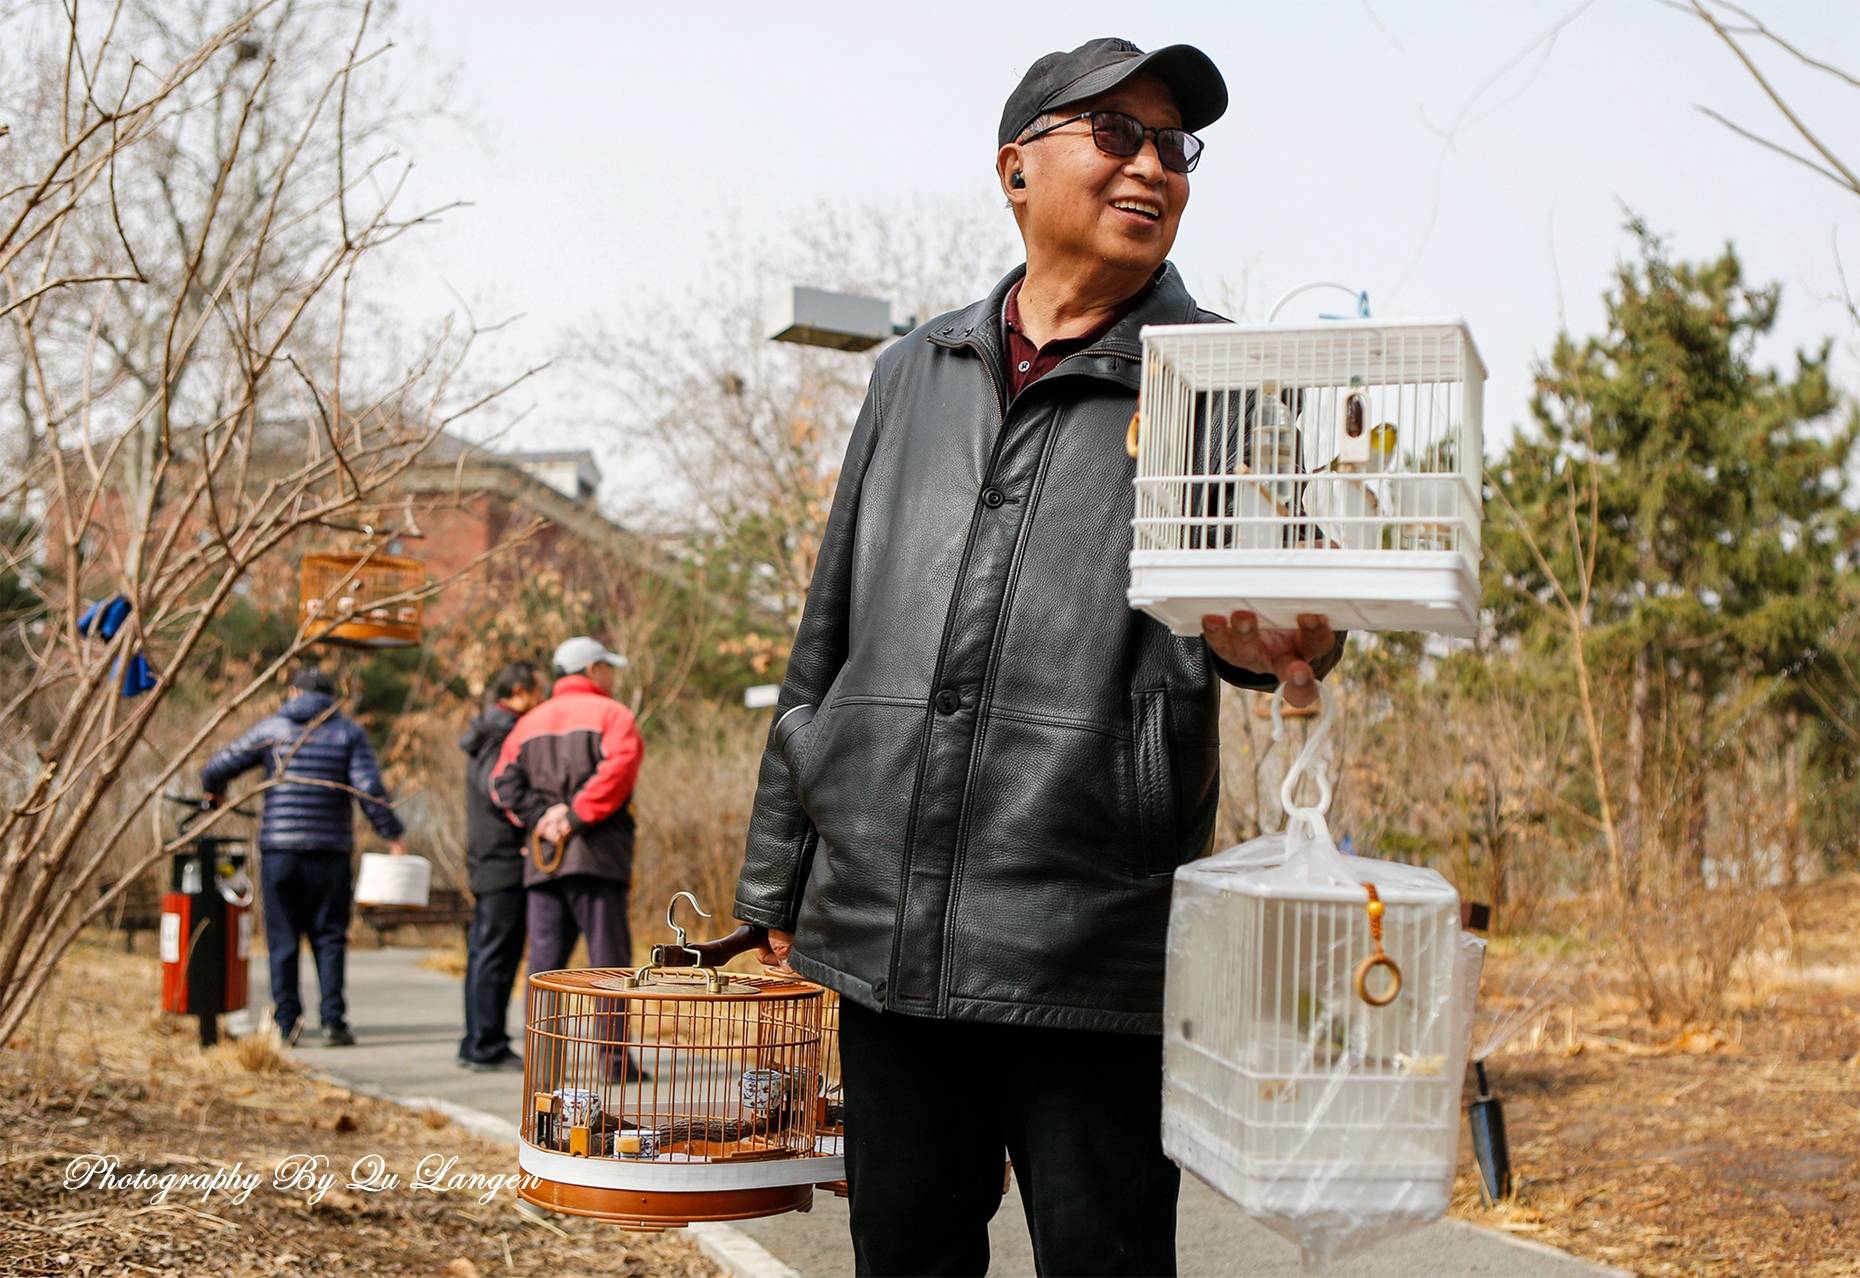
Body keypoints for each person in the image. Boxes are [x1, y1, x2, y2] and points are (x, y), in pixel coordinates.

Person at [731, 38, 1346, 1276]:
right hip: (885, 931)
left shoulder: (1218, 380)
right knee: (906, 1254)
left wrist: (1288, 634)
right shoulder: (913, 370)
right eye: (1115, 133)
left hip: (1091, 939)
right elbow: (827, 635)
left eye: (1174, 146)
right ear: (1018, 169)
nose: (1152, 166)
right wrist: (771, 888)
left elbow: (1281, 613)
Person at [201, 665, 405, 1047]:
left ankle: (287, 1023)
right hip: (330, 852)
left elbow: (217, 764)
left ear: (293, 693)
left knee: (283, 939)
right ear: (331, 699)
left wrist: (214, 793)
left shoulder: (273, 729)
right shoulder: (348, 732)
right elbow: (368, 788)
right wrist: (392, 834)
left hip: (280, 851)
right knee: (329, 937)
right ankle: (334, 1022)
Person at [490, 636, 644, 1077]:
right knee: (610, 963)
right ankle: (614, 1063)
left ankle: (543, 1063)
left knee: (543, 966)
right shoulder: (614, 714)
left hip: (543, 860)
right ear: (594, 669)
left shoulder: (527, 723)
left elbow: (502, 783)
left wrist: (543, 819)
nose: (613, 676)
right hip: (598, 857)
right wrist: (574, 816)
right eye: (609, 667)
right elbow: (619, 768)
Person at [456, 660, 544, 1072]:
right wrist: (535, 819)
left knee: (484, 950)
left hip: (485, 852)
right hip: (503, 855)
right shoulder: (505, 731)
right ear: (521, 691)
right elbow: (498, 788)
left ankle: (475, 1041)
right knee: (497, 951)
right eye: (538, 691)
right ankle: (486, 1045)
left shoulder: (487, 729)